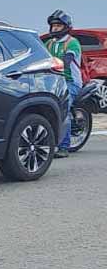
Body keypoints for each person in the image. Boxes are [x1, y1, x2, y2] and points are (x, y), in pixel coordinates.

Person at [46, 10, 82, 158]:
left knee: (63, 110)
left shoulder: (71, 42)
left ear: (66, 27)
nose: (55, 28)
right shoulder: (49, 43)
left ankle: (64, 146)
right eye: (53, 26)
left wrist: (60, 64)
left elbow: (67, 61)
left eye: (58, 25)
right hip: (53, 81)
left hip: (70, 82)